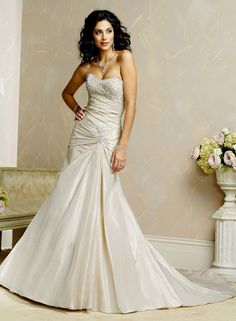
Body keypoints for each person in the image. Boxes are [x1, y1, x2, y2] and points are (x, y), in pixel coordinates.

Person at [0, 9, 236, 315]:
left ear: (115, 32)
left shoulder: (125, 57)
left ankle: (97, 277)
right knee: (67, 199)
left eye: (108, 31)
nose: (104, 37)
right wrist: (76, 109)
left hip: (109, 137)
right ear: (91, 35)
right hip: (83, 136)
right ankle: (54, 277)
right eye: (98, 32)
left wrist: (122, 145)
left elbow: (131, 104)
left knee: (104, 202)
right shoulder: (86, 67)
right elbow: (66, 93)